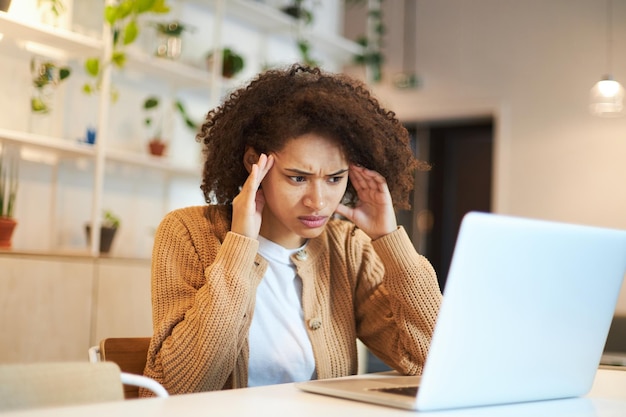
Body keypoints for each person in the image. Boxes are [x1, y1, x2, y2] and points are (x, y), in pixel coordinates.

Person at [140, 64, 442, 396]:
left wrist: (390, 241)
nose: (318, 202)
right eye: (298, 178)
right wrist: (240, 246)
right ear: (254, 163)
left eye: (334, 178)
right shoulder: (188, 233)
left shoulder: (348, 248)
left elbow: (433, 363)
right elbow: (177, 388)